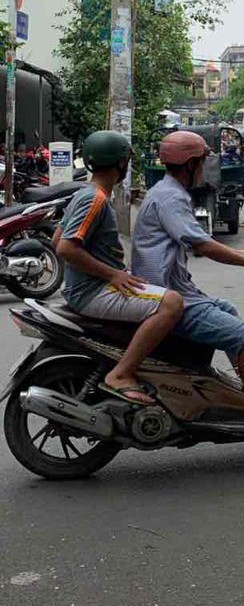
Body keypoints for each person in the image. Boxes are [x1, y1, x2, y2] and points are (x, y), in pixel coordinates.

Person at [131, 131, 244, 441]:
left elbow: (201, 240)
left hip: (174, 289)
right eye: (202, 162)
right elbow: (202, 245)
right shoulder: (172, 197)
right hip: (167, 296)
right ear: (190, 164)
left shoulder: (165, 191)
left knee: (227, 308)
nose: (204, 168)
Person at [54, 130, 184, 406]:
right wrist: (112, 273)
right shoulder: (95, 200)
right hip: (92, 291)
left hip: (87, 287)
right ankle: (121, 373)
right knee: (172, 303)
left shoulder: (84, 193)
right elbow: (64, 248)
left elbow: (56, 238)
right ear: (121, 162)